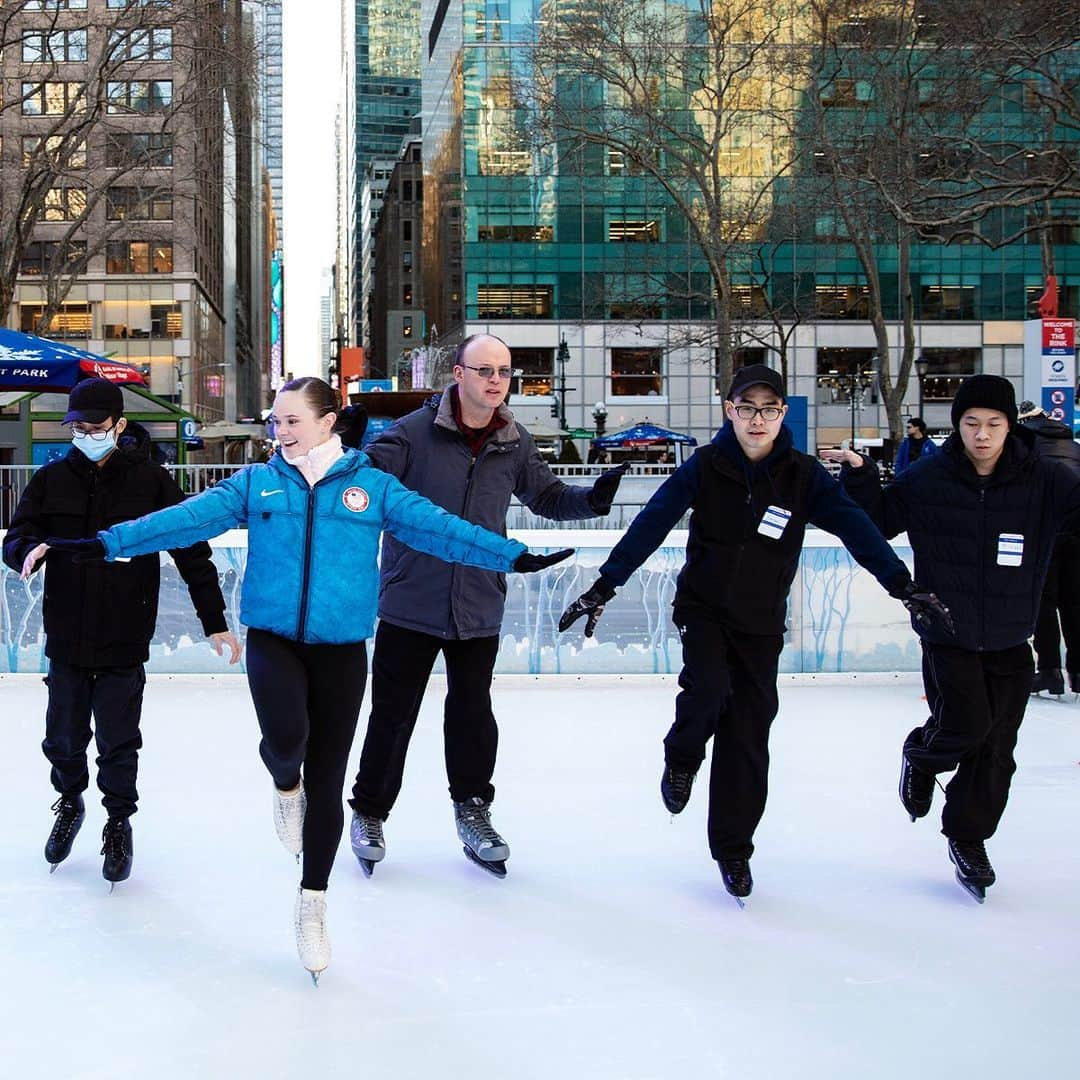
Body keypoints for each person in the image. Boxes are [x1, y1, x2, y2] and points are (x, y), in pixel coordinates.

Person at [44, 376, 569, 983]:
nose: (280, 432)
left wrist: (511, 555)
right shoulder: (259, 483)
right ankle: (282, 782)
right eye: (275, 421)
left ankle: (312, 900)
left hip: (342, 652)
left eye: (291, 421)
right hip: (273, 642)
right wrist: (106, 543)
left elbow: (441, 529)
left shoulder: (371, 487)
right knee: (287, 742)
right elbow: (183, 521)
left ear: (327, 423)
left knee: (330, 778)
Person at [558, 364, 949, 904]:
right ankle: (683, 755)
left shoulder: (802, 475)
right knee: (710, 690)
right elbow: (652, 519)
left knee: (749, 731)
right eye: (747, 408)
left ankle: (733, 849)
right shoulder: (707, 466)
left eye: (768, 408)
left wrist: (903, 587)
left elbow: (858, 528)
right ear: (730, 411)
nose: (757, 419)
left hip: (762, 623)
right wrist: (605, 585)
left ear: (782, 413)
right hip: (704, 609)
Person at [348, 333, 627, 878]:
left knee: (472, 712)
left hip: (478, 602)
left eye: (503, 371)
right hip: (412, 598)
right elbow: (361, 489)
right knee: (392, 714)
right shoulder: (411, 436)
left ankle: (473, 810)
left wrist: (592, 499)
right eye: (484, 370)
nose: (496, 380)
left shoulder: (513, 440)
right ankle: (369, 813)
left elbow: (545, 496)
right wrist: (350, 448)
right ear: (459, 374)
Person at [826, 375, 1080, 902]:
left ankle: (969, 838)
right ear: (956, 426)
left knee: (996, 751)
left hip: (1012, 636)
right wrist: (860, 478)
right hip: (948, 632)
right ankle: (923, 754)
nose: (982, 435)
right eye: (971, 424)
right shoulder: (928, 478)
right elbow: (878, 522)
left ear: (1010, 427)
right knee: (966, 725)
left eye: (993, 424)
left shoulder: (1045, 481)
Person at [2, 379, 240, 888]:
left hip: (125, 633)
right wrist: (27, 552)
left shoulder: (151, 481)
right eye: (78, 429)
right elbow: (18, 534)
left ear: (119, 426)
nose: (86, 436)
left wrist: (215, 621)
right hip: (66, 632)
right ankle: (70, 800)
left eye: (96, 427)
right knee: (63, 739)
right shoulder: (51, 480)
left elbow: (193, 551)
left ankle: (118, 821)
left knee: (117, 739)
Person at [1017, 401, 1080, 695]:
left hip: (1044, 531)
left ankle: (1049, 670)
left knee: (1044, 602)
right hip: (1078, 531)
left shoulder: (1023, 445)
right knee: (1074, 602)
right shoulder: (1073, 445)